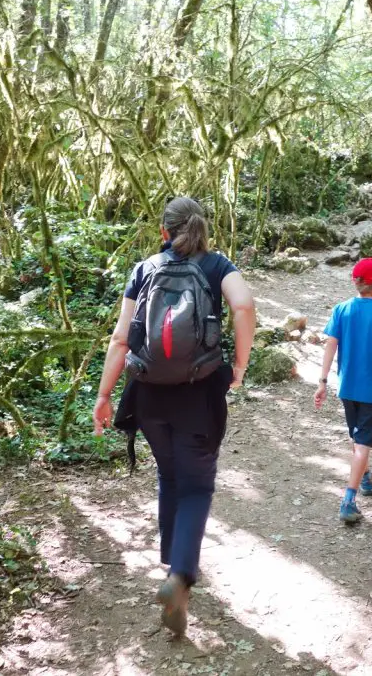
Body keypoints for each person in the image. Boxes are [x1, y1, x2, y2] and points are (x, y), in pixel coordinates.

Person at [92, 197, 255, 636]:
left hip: (148, 395)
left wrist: (104, 395)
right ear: (203, 230)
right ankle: (180, 575)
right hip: (199, 396)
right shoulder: (218, 266)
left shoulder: (145, 269)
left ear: (164, 232)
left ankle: (172, 567)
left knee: (169, 475)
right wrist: (238, 365)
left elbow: (121, 339)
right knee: (198, 485)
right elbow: (243, 307)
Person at [314, 257, 372, 523]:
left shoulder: (341, 309)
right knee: (363, 442)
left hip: (347, 387)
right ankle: (349, 499)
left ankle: (364, 474)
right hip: (371, 390)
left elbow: (330, 345)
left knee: (356, 436)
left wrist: (322, 381)